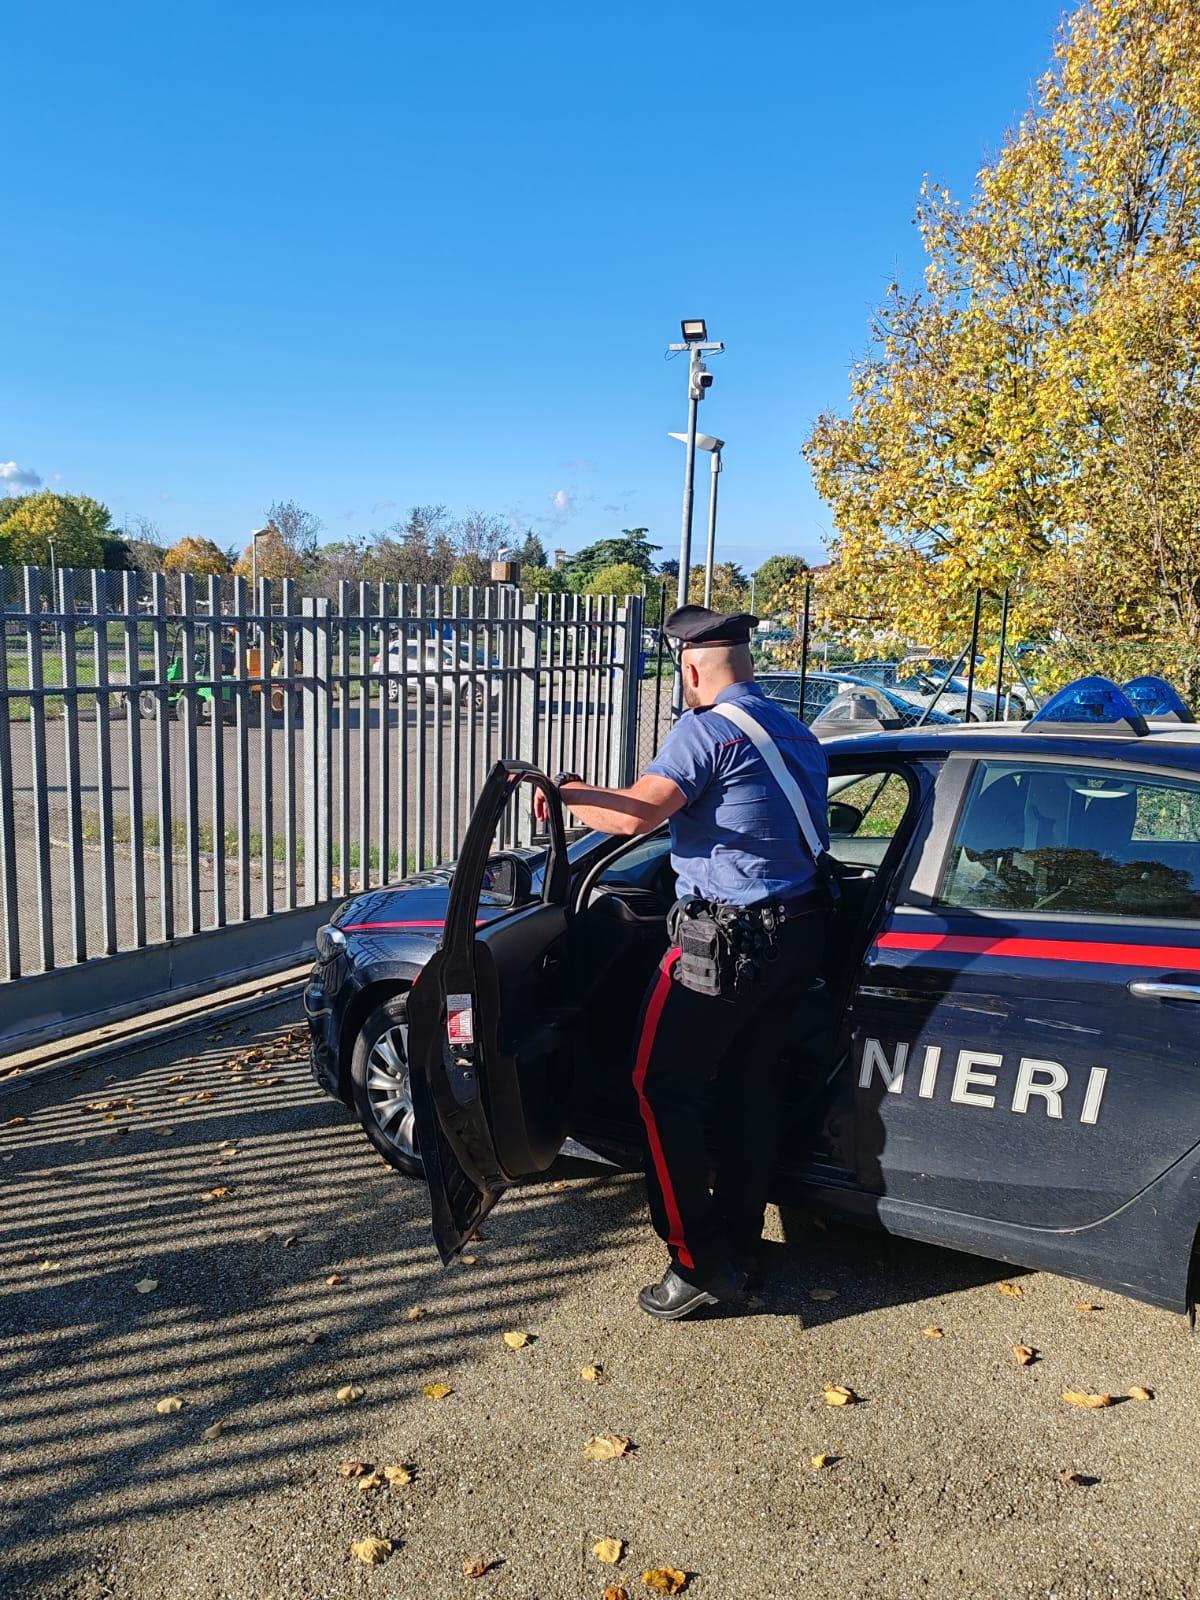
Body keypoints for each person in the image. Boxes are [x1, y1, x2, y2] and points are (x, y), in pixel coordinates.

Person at [533, 604, 830, 1320]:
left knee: (660, 1087)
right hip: (797, 935)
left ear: (691, 666)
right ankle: (741, 1243)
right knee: (748, 1090)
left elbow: (638, 815)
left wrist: (563, 793)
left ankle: (696, 1262)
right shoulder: (797, 732)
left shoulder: (707, 729)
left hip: (723, 946)